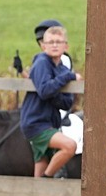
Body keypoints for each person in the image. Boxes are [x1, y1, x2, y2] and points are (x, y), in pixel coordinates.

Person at [19, 25, 81, 178]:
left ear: (66, 46)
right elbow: (45, 90)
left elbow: (67, 103)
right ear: (43, 46)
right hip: (35, 122)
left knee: (41, 166)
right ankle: (48, 178)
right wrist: (67, 78)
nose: (54, 45)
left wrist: (54, 91)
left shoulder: (62, 69)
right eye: (50, 42)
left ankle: (40, 186)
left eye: (58, 42)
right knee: (70, 146)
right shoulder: (41, 62)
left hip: (50, 123)